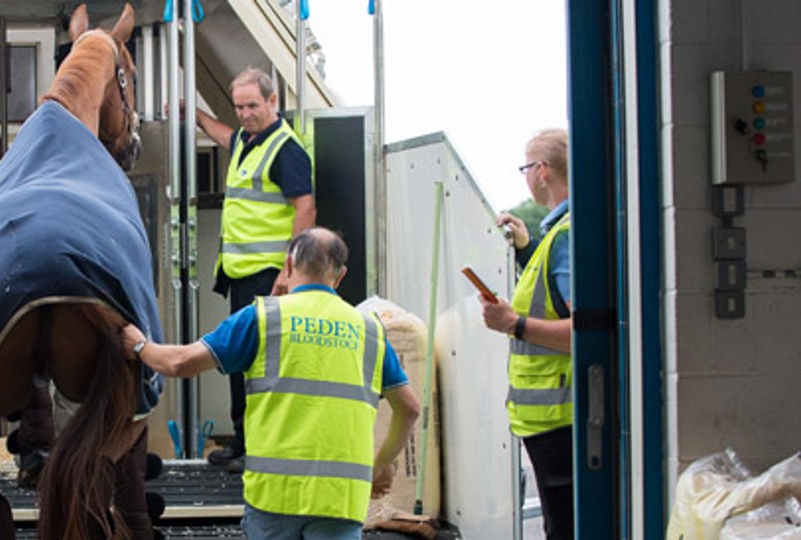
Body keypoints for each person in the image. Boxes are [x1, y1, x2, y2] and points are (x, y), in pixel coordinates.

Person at [121, 227, 420, 539]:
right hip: (340, 501)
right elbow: (409, 408)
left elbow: (179, 362)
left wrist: (140, 346)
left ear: (288, 266)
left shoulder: (263, 318)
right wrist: (380, 465)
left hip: (275, 499)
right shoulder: (369, 330)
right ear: (340, 275)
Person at [194, 67, 317, 470]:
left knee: (259, 363)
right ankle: (243, 440)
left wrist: (289, 271)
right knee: (241, 357)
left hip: (268, 276)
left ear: (272, 102)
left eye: (252, 105)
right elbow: (222, 134)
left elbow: (306, 208)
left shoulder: (285, 148)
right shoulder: (249, 141)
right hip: (241, 273)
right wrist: (193, 113)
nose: (245, 114)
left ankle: (259, 449)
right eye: (239, 106)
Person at [479, 128, 573, 540]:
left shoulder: (568, 235)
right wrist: (525, 247)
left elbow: (583, 330)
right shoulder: (560, 233)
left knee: (565, 529)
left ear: (541, 171)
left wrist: (512, 323)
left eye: (525, 168)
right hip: (550, 418)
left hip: (560, 418)